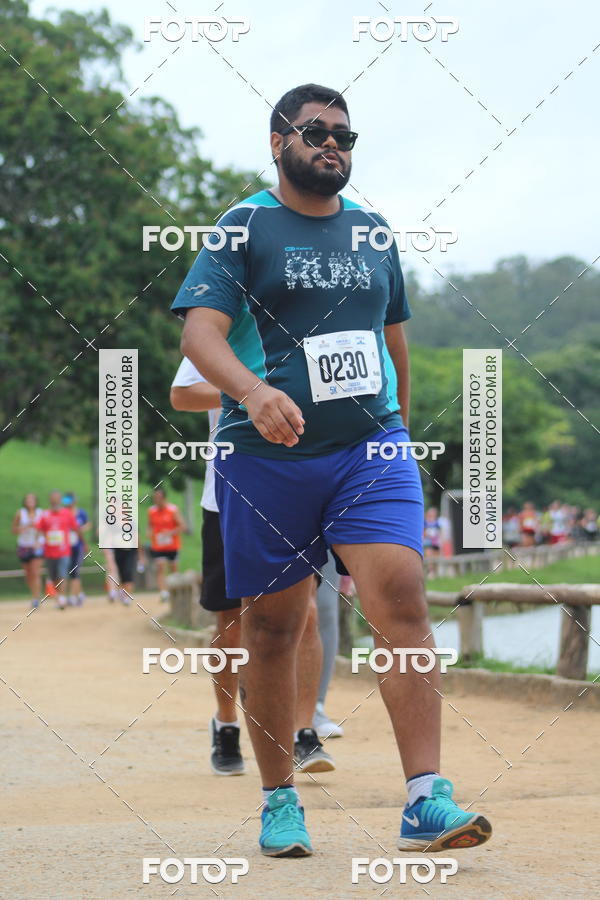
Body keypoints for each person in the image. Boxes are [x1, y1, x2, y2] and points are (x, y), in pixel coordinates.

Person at [171, 83, 492, 857]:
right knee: (273, 626)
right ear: (277, 142)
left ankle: (425, 797)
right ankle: (279, 800)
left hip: (368, 451)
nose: (332, 146)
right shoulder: (244, 226)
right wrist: (252, 391)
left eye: (344, 136)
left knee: (402, 596)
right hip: (265, 459)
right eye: (315, 132)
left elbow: (393, 341)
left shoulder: (373, 233)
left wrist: (398, 431)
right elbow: (199, 336)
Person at [170, 357, 335, 774]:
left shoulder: (303, 330)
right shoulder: (219, 335)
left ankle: (303, 732)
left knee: (306, 615)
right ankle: (226, 724)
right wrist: (251, 393)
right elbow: (181, 395)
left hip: (295, 490)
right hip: (228, 494)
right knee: (232, 622)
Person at [35, 491, 82, 610]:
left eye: (57, 498)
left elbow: (75, 528)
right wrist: (37, 541)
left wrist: (82, 542)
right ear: (50, 500)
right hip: (49, 551)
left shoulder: (67, 513)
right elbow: (39, 529)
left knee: (62, 574)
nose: (55, 501)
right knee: (53, 577)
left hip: (64, 551)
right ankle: (59, 596)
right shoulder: (45, 514)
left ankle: (62, 598)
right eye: (53, 498)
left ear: (60, 500)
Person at [147, 488, 184, 602]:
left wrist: (170, 533)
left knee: (173, 569)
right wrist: (149, 532)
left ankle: (175, 592)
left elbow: (182, 526)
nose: (156, 500)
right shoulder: (151, 511)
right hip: (158, 546)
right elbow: (150, 525)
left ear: (164, 498)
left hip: (172, 546)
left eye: (158, 498)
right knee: (160, 567)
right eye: (155, 498)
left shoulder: (173, 510)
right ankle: (163, 593)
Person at [12, 493, 44, 608]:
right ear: (25, 502)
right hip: (23, 546)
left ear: (36, 501)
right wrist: (25, 527)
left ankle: (36, 598)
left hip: (37, 546)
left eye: (32, 500)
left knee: (35, 572)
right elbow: (14, 530)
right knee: (28, 574)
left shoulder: (41, 513)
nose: (30, 502)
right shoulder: (20, 513)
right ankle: (34, 593)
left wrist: (39, 540)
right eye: (28, 500)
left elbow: (45, 528)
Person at [62, 492, 91, 605]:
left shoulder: (81, 513)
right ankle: (79, 593)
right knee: (69, 570)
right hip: (65, 547)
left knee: (74, 570)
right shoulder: (63, 513)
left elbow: (88, 524)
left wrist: (80, 529)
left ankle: (73, 596)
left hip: (77, 546)